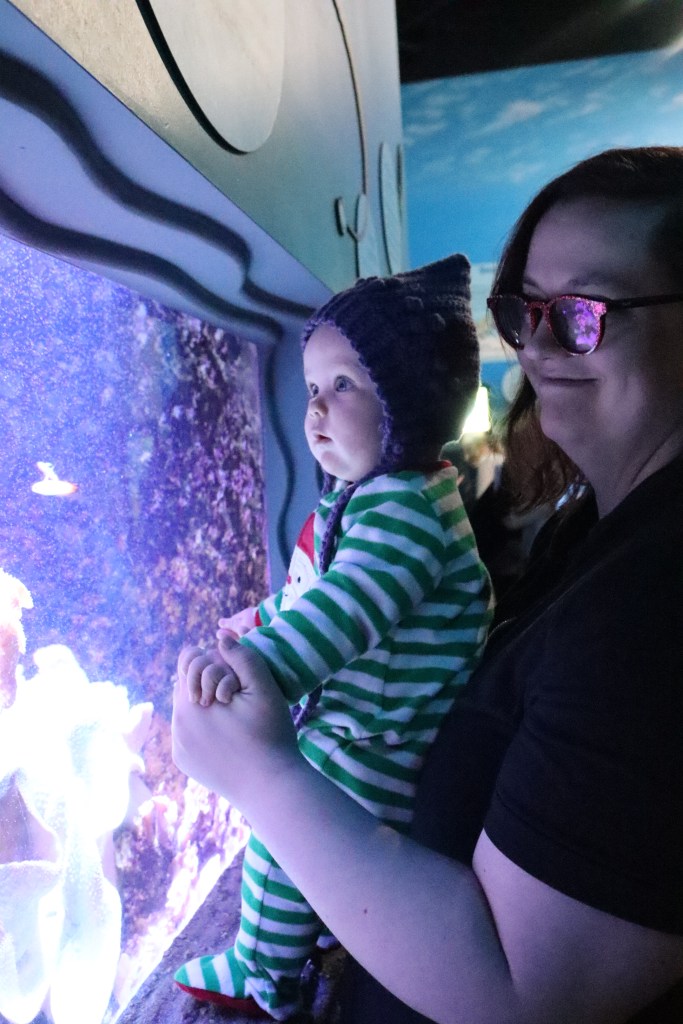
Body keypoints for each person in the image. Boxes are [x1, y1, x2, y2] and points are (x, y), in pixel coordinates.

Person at [172, 146, 683, 1024]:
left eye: (583, 313)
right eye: (523, 311)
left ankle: (263, 976)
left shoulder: (655, 601)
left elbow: (525, 996)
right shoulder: (595, 530)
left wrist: (260, 773)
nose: (536, 347)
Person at [173, 255, 493, 1019]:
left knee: (281, 847)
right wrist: (259, 622)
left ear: (408, 400)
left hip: (373, 743)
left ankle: (266, 980)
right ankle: (293, 943)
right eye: (311, 387)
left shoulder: (405, 515)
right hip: (365, 727)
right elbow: (316, 594)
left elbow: (345, 611)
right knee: (285, 837)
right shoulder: (384, 498)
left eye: (343, 385)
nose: (315, 407)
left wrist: (257, 668)